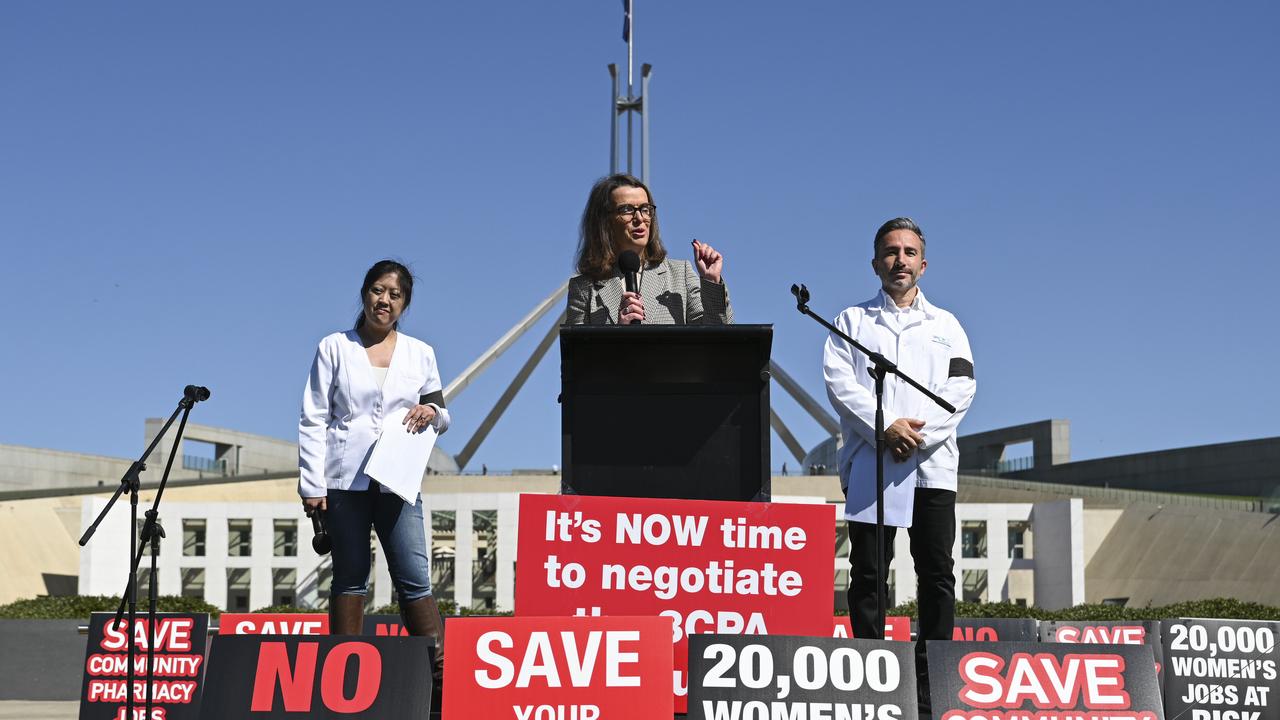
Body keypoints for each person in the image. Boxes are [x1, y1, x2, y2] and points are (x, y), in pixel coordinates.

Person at [822, 217, 975, 712]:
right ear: (875, 263)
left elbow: (962, 388)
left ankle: (934, 674)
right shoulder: (851, 321)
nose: (899, 260)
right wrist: (885, 427)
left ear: (923, 264)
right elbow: (840, 384)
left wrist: (917, 434)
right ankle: (869, 669)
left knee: (936, 570)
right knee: (869, 571)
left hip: (932, 464)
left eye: (909, 252)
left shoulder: (947, 325)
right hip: (873, 460)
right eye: (890, 252)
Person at [298, 259, 451, 687]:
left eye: (395, 294)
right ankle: (343, 677)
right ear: (365, 293)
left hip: (398, 481)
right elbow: (313, 417)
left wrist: (432, 411)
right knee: (350, 575)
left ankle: (437, 679)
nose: (384, 300)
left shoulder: (421, 354)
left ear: (404, 304)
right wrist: (312, 485)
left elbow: (443, 415)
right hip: (344, 480)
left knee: (414, 575)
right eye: (378, 290)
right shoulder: (334, 347)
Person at [565, 173, 733, 325]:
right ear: (604, 221)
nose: (639, 218)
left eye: (645, 209)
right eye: (627, 209)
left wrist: (711, 281)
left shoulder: (680, 274)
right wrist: (616, 336)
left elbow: (716, 337)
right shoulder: (583, 288)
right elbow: (578, 356)